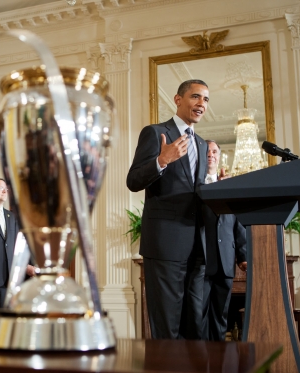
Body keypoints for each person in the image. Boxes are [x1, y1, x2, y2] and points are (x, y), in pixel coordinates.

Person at [126, 79, 209, 340]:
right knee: (167, 326)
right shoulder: (155, 132)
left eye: (206, 99)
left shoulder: (203, 144)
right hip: (166, 244)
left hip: (199, 246)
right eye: (196, 97)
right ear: (178, 99)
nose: (201, 104)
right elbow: (133, 181)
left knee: (195, 324)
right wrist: (162, 160)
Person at [201, 140, 247, 341]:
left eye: (214, 151)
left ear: (219, 157)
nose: (211, 154)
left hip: (226, 263)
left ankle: (218, 362)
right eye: (207, 151)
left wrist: (243, 255)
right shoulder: (194, 185)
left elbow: (238, 223)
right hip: (201, 262)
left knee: (221, 316)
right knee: (199, 317)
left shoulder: (230, 186)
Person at [0, 178, 35, 326]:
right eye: (0, 188)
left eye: (6, 188)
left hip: (7, 279)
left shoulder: (11, 217)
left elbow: (17, 246)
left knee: (1, 325)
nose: (5, 191)